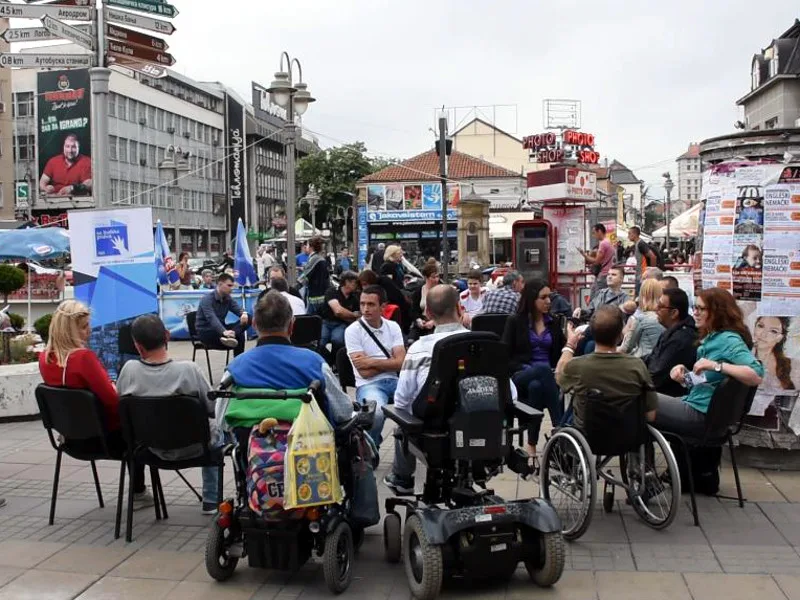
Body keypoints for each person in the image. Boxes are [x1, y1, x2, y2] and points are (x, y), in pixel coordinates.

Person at [38, 300, 151, 509]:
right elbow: (111, 400)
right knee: (138, 424)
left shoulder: (44, 358)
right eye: (84, 327)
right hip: (106, 440)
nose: (89, 331)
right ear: (69, 330)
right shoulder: (83, 358)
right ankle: (138, 491)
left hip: (69, 438)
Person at [116, 314, 221, 514]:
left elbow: (122, 404)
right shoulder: (189, 370)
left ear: (138, 346)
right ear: (167, 336)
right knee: (220, 430)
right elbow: (211, 408)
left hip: (151, 448)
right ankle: (211, 500)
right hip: (197, 447)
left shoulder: (129, 371)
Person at [383, 285, 471, 494]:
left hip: (434, 432)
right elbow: (509, 393)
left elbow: (402, 400)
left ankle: (403, 479)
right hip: (478, 427)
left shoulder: (418, 349)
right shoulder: (481, 344)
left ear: (428, 313)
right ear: (460, 307)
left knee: (401, 420)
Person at [224, 291, 354, 425]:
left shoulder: (234, 368)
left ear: (254, 324)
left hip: (247, 443)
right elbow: (343, 412)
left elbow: (220, 422)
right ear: (292, 326)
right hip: (309, 441)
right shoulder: (315, 363)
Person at [655, 287, 764, 439]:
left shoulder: (727, 339)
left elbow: (757, 374)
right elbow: (706, 380)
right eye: (695, 308)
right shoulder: (714, 337)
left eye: (701, 309)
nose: (695, 313)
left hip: (701, 414)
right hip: (700, 407)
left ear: (717, 312)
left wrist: (716, 366)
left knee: (639, 398)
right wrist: (684, 375)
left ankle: (639, 458)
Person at [556, 306, 659, 430]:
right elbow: (651, 415)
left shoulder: (578, 366)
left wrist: (570, 345)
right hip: (628, 434)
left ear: (592, 333)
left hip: (589, 434)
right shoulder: (637, 366)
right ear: (620, 335)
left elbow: (559, 377)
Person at [503, 279, 566, 463]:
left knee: (537, 387)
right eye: (543, 297)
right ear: (531, 299)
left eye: (550, 297)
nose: (548, 301)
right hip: (521, 374)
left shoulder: (553, 323)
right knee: (542, 369)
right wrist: (526, 367)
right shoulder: (515, 321)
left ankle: (531, 445)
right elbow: (505, 356)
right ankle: (559, 426)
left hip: (545, 377)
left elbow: (562, 351)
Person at [345, 285, 406, 447]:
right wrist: (390, 363)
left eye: (371, 304)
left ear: (383, 307)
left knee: (419, 408)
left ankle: (405, 459)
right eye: (362, 304)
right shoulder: (353, 331)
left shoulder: (393, 327)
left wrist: (370, 361)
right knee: (375, 414)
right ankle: (371, 449)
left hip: (395, 382)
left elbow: (401, 362)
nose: (365, 309)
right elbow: (364, 373)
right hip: (369, 384)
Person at [643, 287, 698, 397]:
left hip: (668, 395)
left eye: (660, 307)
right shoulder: (672, 332)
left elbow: (656, 377)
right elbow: (652, 358)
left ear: (674, 313)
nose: (655, 309)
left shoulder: (680, 339)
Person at [195, 273, 249, 356]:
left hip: (223, 331)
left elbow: (238, 309)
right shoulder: (207, 299)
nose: (232, 289)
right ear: (220, 284)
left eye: (232, 286)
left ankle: (238, 363)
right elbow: (212, 318)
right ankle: (230, 337)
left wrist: (244, 314)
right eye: (229, 286)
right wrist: (223, 331)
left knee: (249, 318)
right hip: (207, 332)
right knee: (239, 337)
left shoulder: (228, 298)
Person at [318, 271, 360, 364]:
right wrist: (352, 315)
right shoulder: (332, 291)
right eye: (354, 282)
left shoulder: (355, 298)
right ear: (347, 282)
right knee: (319, 342)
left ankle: (336, 362)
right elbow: (337, 311)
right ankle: (328, 361)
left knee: (338, 340)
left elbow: (357, 316)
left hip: (341, 324)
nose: (356, 285)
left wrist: (347, 315)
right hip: (326, 322)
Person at [619, 278, 665, 358]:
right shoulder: (665, 317)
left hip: (643, 361)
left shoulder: (639, 319)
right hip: (660, 359)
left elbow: (626, 348)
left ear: (642, 295)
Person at [358, 269, 411, 335]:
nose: (364, 287)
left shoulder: (384, 283)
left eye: (365, 284)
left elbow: (395, 298)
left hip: (398, 313)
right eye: (362, 285)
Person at [753, 316, 797, 390]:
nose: (763, 335)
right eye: (761, 326)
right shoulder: (738, 356)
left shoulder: (792, 365)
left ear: (779, 338)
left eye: (773, 331)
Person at [580, 223, 615, 297]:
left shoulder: (603, 244)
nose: (593, 235)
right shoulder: (609, 242)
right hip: (607, 272)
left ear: (599, 231)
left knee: (596, 296)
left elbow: (596, 261)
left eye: (594, 233)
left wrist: (584, 255)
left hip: (603, 274)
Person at [297, 236, 330, 315]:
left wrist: (293, 289)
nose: (306, 247)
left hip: (315, 296)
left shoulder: (314, 259)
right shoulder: (320, 258)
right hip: (321, 294)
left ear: (311, 247)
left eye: (307, 245)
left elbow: (305, 276)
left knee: (311, 319)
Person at [410, 261, 440, 340]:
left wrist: (434, 321)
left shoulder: (442, 290)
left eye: (437, 277)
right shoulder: (418, 291)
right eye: (433, 277)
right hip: (423, 323)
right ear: (426, 277)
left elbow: (446, 311)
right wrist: (418, 320)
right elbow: (414, 310)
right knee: (411, 340)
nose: (436, 280)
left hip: (438, 323)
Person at [628, 226, 657, 294]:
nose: (628, 236)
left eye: (629, 233)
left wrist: (651, 272)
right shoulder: (638, 244)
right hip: (640, 275)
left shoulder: (640, 244)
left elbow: (653, 257)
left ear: (635, 234)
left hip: (642, 276)